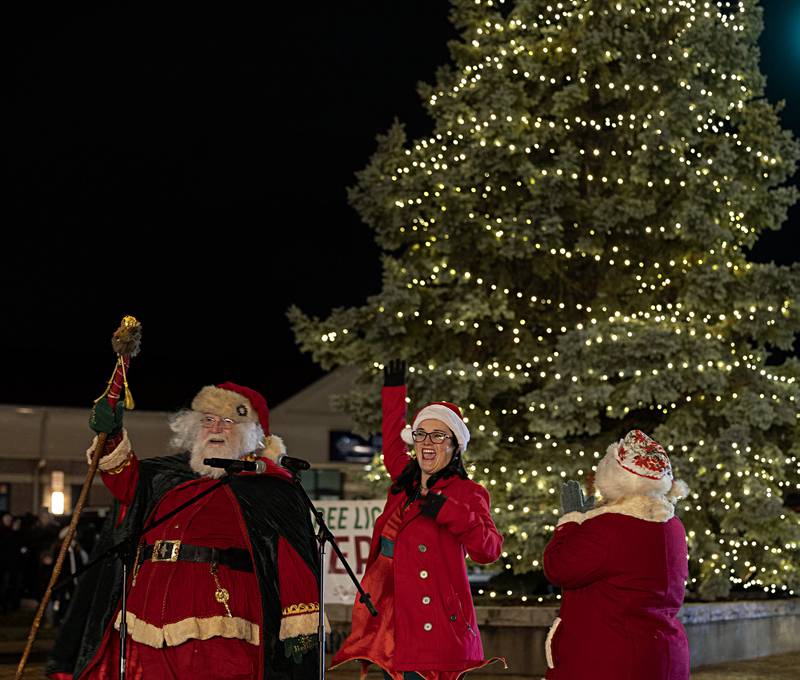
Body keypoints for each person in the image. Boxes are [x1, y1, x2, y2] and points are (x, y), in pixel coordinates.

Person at [47, 382, 320, 679]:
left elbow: (292, 558)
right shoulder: (166, 475)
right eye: (208, 420)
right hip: (146, 611)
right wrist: (110, 435)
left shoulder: (269, 488)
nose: (216, 428)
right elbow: (124, 479)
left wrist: (300, 623)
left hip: (223, 613)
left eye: (228, 421)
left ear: (252, 433)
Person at [331, 360, 505, 680]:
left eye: (438, 435)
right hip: (393, 626)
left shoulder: (468, 493)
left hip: (437, 627)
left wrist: (449, 511)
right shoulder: (405, 481)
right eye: (421, 434)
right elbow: (390, 445)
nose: (427, 442)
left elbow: (489, 550)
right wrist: (394, 392)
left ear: (455, 446)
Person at [543, 429, 691, 680]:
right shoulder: (672, 526)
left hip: (609, 659)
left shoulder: (607, 527)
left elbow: (558, 567)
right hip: (662, 655)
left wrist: (570, 523)